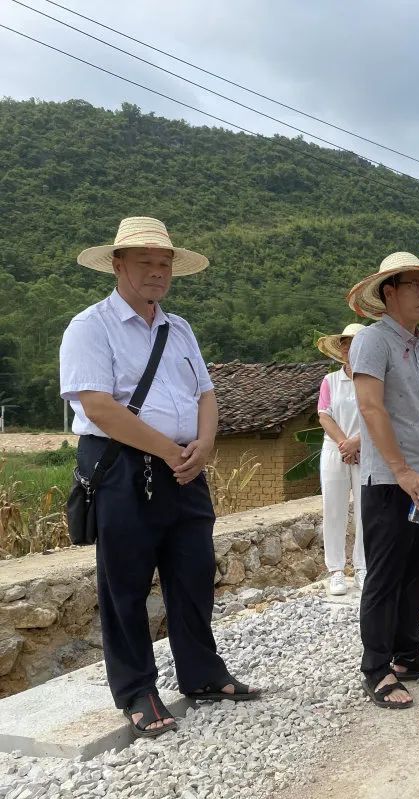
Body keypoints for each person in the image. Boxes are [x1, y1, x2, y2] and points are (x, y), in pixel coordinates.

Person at [60, 217, 260, 739]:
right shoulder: (90, 327)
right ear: (118, 265)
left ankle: (203, 674)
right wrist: (172, 449)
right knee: (125, 584)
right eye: (144, 261)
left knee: (194, 574)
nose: (156, 272)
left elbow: (205, 394)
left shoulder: (180, 328)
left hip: (187, 467)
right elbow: (100, 408)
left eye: (164, 263)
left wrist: (207, 444)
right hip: (124, 467)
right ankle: (137, 692)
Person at [345, 251, 419, 709]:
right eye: (413, 284)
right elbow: (371, 408)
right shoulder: (374, 341)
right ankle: (376, 666)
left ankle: (408, 652)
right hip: (389, 480)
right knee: (386, 575)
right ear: (388, 292)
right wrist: (401, 470)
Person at [316, 323, 367, 595]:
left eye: (356, 344)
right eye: (347, 344)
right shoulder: (330, 381)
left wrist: (357, 442)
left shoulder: (372, 379)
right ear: (342, 348)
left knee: (364, 509)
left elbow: (378, 414)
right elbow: (324, 415)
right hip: (335, 450)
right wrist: (344, 444)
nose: (350, 349)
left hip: (366, 450)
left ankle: (362, 566)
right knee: (333, 508)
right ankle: (335, 569)